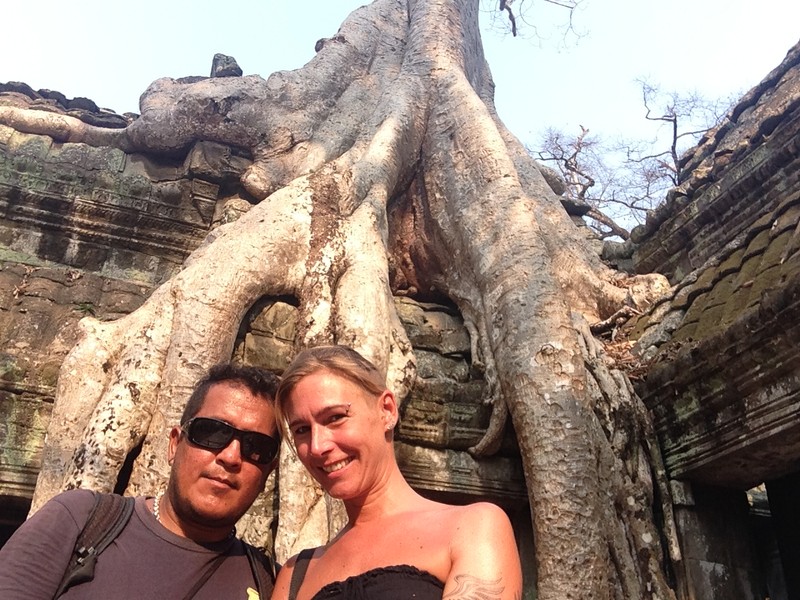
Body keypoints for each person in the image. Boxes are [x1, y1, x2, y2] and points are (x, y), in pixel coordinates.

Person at [0, 363, 282, 600]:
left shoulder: (270, 584)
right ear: (174, 444)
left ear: (269, 471)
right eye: (212, 432)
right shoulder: (78, 520)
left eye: (256, 446)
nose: (231, 457)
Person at [271, 346, 522, 600]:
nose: (317, 446)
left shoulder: (472, 528)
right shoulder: (295, 576)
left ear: (387, 410)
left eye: (335, 417)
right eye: (301, 430)